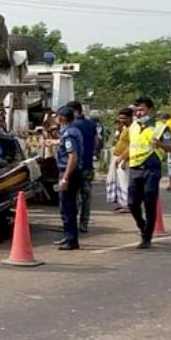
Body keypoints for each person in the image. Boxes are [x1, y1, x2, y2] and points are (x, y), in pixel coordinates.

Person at [123, 97, 171, 249]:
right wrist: (122, 158)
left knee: (149, 201)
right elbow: (131, 145)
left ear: (151, 110)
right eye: (137, 110)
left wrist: (161, 144)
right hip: (134, 168)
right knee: (132, 203)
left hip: (151, 169)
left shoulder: (160, 127)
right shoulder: (133, 127)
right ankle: (142, 225)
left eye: (142, 109)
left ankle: (147, 237)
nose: (139, 113)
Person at [54, 106, 84, 250]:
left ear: (62, 118)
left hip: (69, 172)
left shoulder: (68, 134)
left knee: (67, 207)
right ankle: (68, 236)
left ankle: (72, 240)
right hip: (70, 171)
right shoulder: (71, 131)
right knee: (66, 206)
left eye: (56, 116)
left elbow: (72, 156)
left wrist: (65, 178)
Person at [67, 101, 97, 233]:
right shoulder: (91, 124)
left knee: (72, 196)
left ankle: (71, 224)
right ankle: (84, 223)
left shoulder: (72, 126)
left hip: (75, 166)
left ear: (74, 111)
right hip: (88, 164)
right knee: (86, 196)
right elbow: (96, 142)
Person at [106, 108, 133, 213]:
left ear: (130, 117)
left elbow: (132, 145)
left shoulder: (132, 129)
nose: (121, 120)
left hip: (124, 159)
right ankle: (122, 203)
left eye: (124, 118)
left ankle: (127, 205)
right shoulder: (125, 128)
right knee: (119, 183)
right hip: (118, 158)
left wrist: (124, 158)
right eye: (120, 118)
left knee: (125, 182)